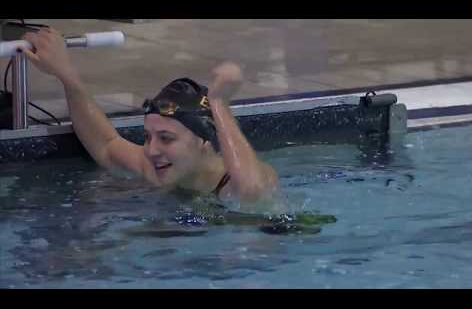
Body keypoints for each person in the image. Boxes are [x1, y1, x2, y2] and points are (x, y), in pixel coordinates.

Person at [20, 27, 279, 206]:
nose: (151, 150)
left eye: (166, 138)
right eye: (147, 137)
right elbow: (107, 146)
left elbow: (251, 192)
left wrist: (219, 104)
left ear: (203, 141)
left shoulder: (243, 180)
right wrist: (66, 75)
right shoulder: (161, 169)